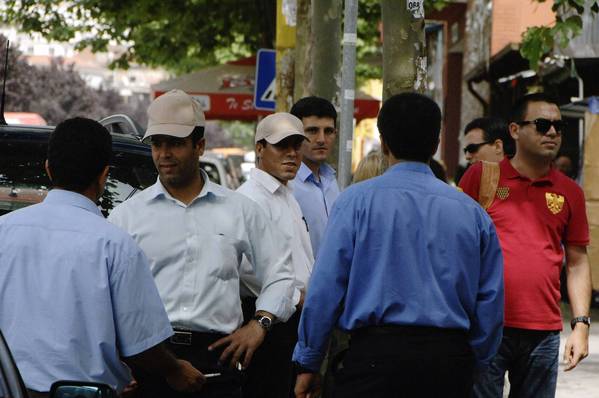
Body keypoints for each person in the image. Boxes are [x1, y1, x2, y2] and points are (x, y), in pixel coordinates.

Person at [293, 93, 505, 398]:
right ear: (435, 145)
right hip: (448, 361)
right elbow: (491, 299)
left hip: (373, 361)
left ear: (384, 142)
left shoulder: (354, 202)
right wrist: (477, 360)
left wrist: (309, 361)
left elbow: (325, 289)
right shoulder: (472, 214)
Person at [108, 90, 296, 398]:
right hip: (150, 361)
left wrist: (259, 324)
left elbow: (281, 275)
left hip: (218, 361)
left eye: (175, 143)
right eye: (157, 143)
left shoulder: (240, 210)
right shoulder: (127, 216)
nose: (164, 153)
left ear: (200, 146)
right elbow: (108, 296)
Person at [0, 117, 204, 397]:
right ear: (104, 175)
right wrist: (175, 370)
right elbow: (141, 346)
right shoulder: (116, 245)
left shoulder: (4, 231)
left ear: (48, 169)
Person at [459, 93, 592, 397]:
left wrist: (581, 325)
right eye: (543, 124)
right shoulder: (482, 177)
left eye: (559, 126)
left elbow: (577, 261)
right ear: (515, 130)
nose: (553, 133)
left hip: (543, 331)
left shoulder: (570, 191)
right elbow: (453, 248)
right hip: (485, 325)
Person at [236, 112, 314, 398]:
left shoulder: (286, 195)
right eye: (282, 146)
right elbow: (245, 269)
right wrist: (297, 296)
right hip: (267, 323)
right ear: (259, 148)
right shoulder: (250, 199)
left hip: (291, 323)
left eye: (297, 146)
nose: (293, 154)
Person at [290, 96, 340, 257]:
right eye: (312, 131)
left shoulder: (332, 181)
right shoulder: (287, 185)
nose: (321, 140)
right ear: (295, 134)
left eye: (328, 131)